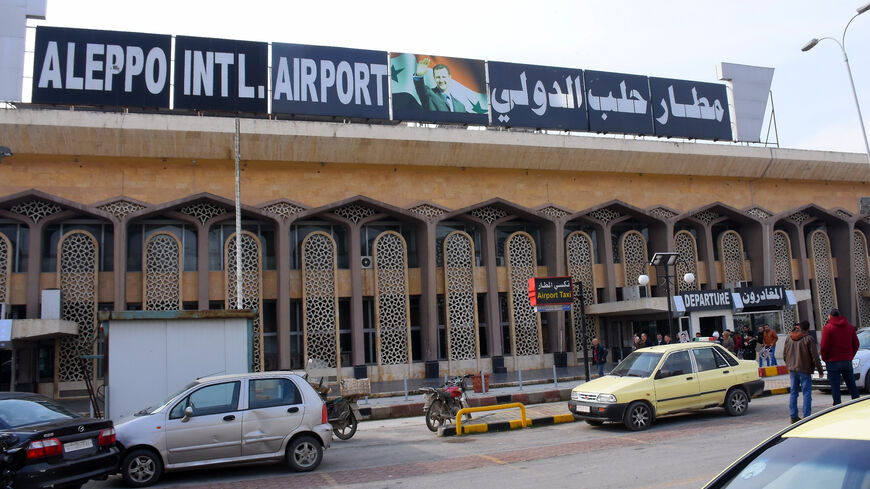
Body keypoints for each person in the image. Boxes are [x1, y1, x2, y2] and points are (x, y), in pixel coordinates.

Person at [783, 320, 824, 423]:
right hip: (804, 370)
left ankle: (793, 416)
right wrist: (820, 370)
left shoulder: (789, 337)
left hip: (792, 369)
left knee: (794, 393)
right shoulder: (809, 339)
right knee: (806, 393)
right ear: (808, 329)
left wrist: (789, 364)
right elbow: (815, 356)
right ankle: (807, 417)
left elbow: (785, 354)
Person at [820, 308, 861, 405]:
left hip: (833, 362)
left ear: (830, 316)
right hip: (847, 360)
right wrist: (850, 356)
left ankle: (837, 407)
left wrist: (825, 358)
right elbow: (856, 344)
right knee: (851, 385)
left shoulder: (828, 328)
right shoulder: (850, 327)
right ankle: (857, 403)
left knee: (835, 387)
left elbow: (824, 346)